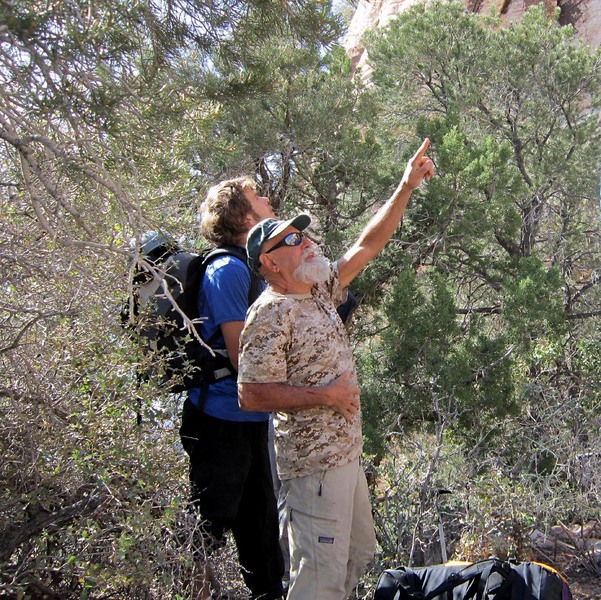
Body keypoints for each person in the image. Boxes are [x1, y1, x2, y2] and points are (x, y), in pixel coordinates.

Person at [237, 139, 435, 600]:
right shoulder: (269, 313)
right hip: (314, 472)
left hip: (345, 458)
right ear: (268, 263)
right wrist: (325, 396)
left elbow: (368, 244)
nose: (304, 242)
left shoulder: (318, 288)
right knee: (317, 584)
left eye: (302, 234)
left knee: (354, 560)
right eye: (290, 240)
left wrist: (405, 186)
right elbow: (251, 394)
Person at [178, 177, 285, 599]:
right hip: (219, 424)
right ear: (244, 216)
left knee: (261, 536)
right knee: (206, 530)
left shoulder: (246, 265)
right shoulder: (227, 271)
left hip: (248, 420)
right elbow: (245, 359)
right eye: (259, 197)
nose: (268, 200)